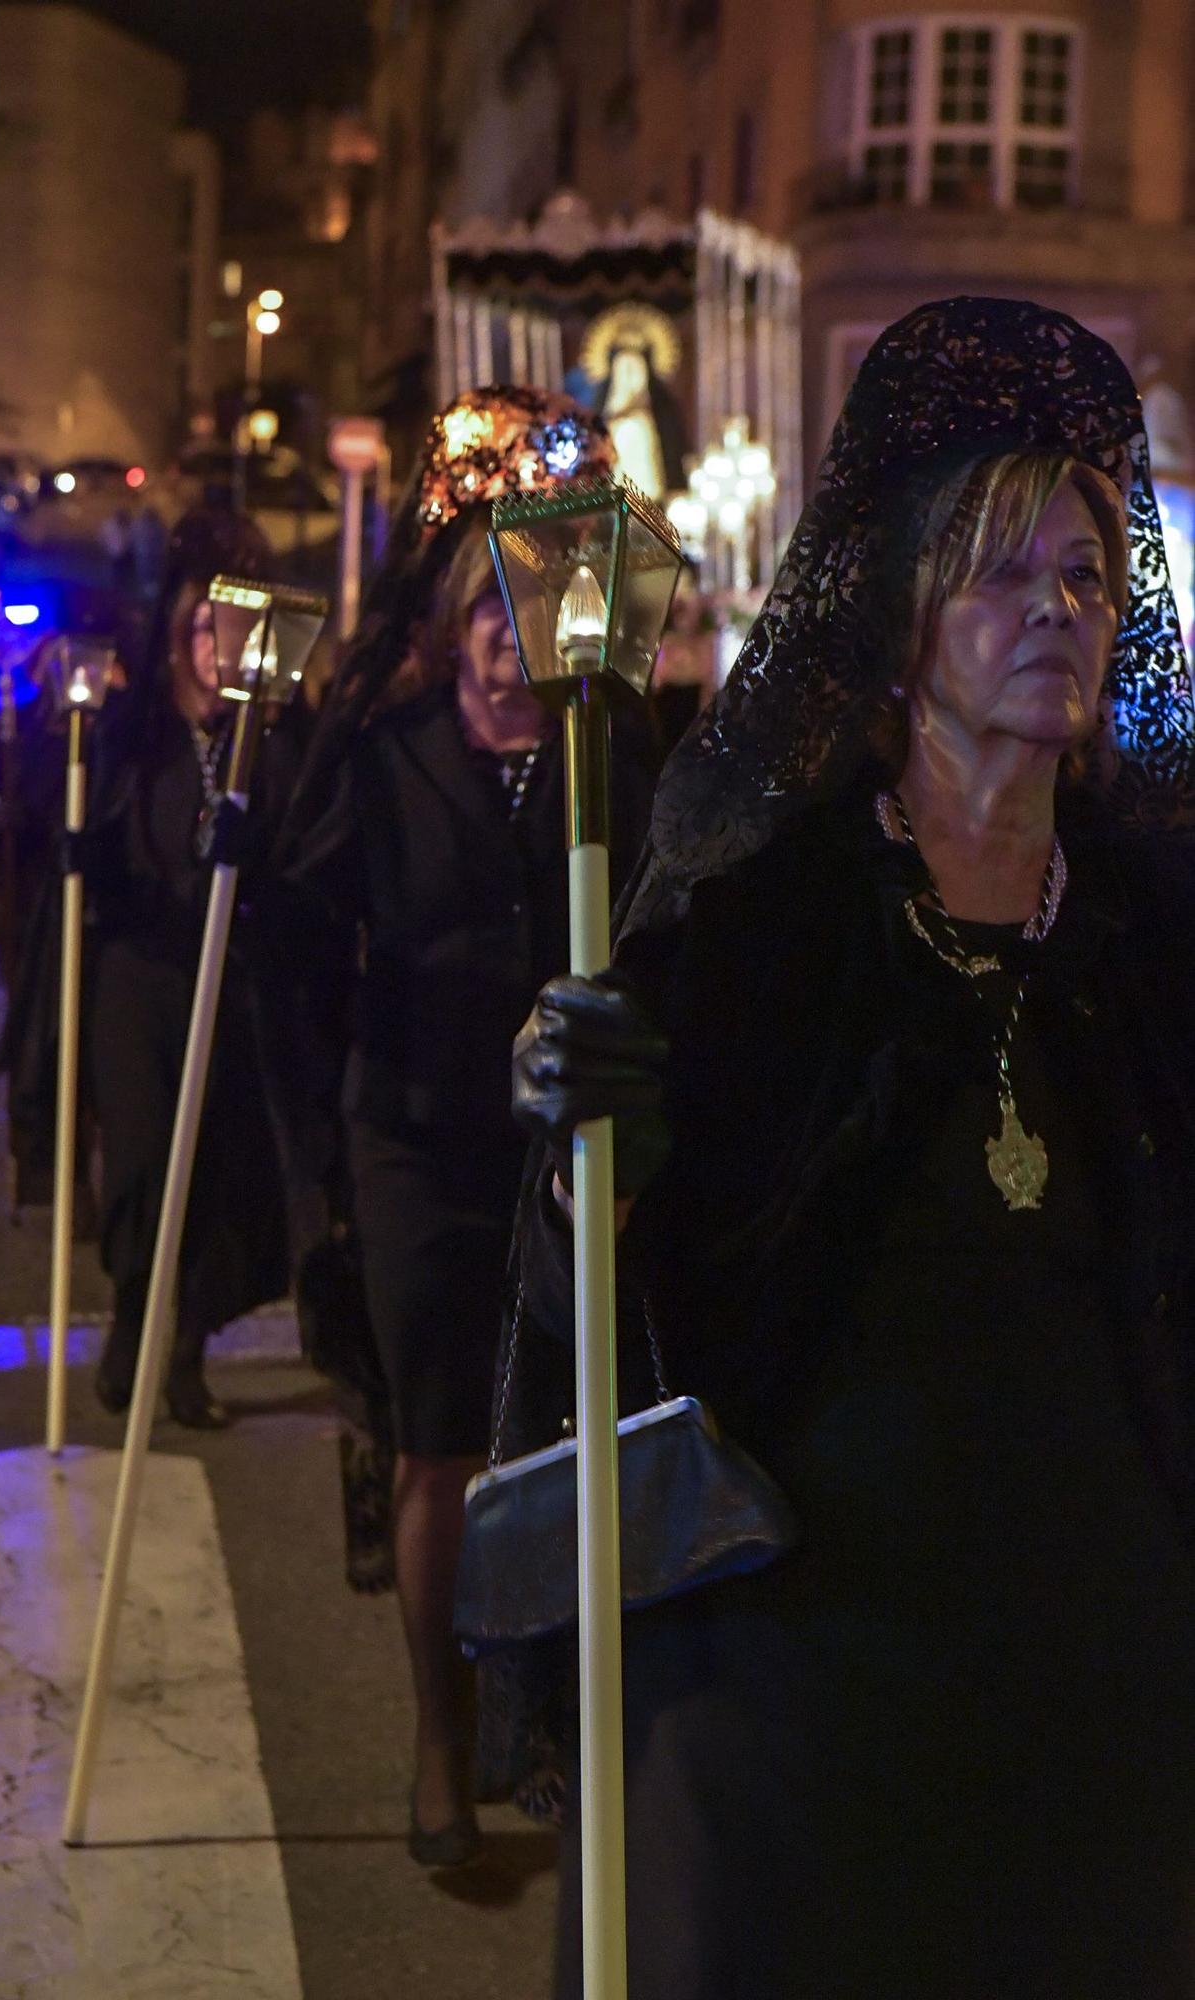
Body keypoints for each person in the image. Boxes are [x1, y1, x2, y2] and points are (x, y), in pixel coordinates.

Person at [510, 298, 1195, 1996]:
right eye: (997, 574)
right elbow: (598, 1287)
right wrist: (581, 1117)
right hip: (798, 1660)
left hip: (1093, 1659)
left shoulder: (1152, 929)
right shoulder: (759, 916)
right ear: (897, 627)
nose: (1052, 609)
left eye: (1085, 580)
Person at [274, 387, 656, 1867]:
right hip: (421, 1139)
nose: (511, 631)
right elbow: (298, 946)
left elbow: (663, 919)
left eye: (538, 600)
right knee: (439, 1445)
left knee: (565, 1441)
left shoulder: (608, 745)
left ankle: (546, 1720)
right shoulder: (383, 754)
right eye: (489, 603)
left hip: (567, 1148)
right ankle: (439, 1738)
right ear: (455, 619)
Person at [85, 509, 288, 1428]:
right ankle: (132, 1330)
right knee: (139, 1161)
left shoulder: (268, 736)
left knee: (212, 1171)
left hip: (229, 979)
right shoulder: (139, 732)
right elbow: (88, 800)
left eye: (232, 631)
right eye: (202, 628)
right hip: (140, 980)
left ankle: (186, 1360)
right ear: (178, 636)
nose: (217, 646)